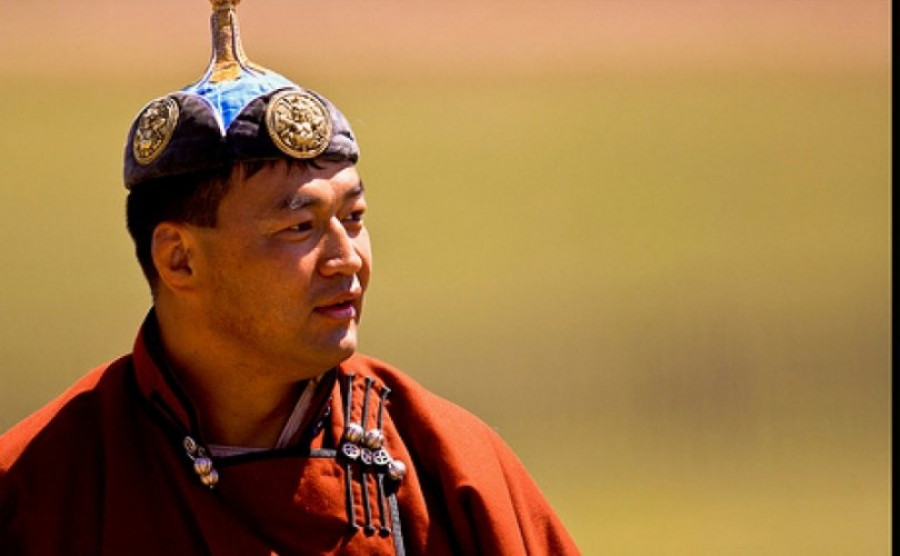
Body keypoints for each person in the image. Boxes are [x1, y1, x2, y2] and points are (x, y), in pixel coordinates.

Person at [0, 1, 578, 554]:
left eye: (353, 218)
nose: (346, 258)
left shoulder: (449, 466)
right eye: (300, 226)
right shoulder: (37, 487)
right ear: (179, 260)